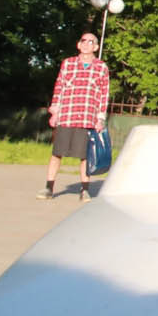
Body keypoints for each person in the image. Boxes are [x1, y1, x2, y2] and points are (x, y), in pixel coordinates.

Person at [44, 30, 109, 199]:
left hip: (87, 117)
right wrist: (55, 112)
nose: (86, 44)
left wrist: (100, 118)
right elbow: (59, 87)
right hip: (67, 115)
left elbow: (104, 94)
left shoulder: (101, 67)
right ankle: (48, 188)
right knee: (57, 153)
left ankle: (84, 189)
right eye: (83, 40)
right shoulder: (68, 64)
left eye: (91, 41)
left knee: (85, 156)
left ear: (96, 47)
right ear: (78, 44)